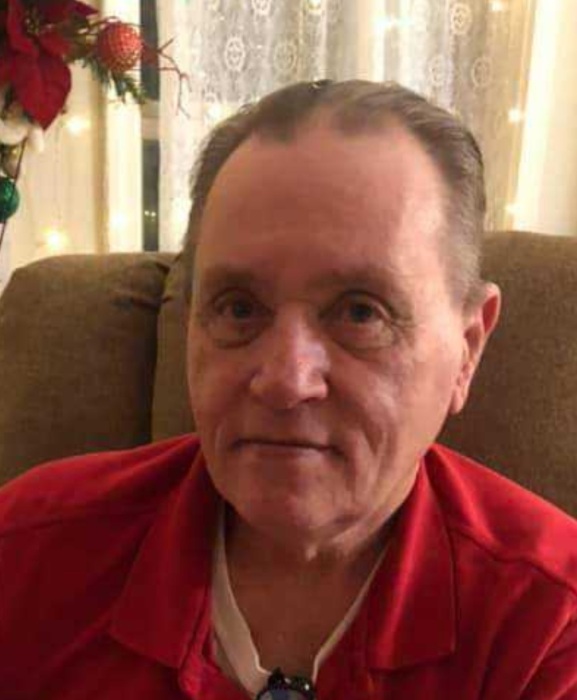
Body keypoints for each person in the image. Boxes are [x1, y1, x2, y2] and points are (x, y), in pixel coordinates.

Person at [0, 80, 576, 700]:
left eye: (361, 313)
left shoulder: (550, 627)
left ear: (467, 349)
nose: (284, 380)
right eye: (239, 308)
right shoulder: (28, 557)